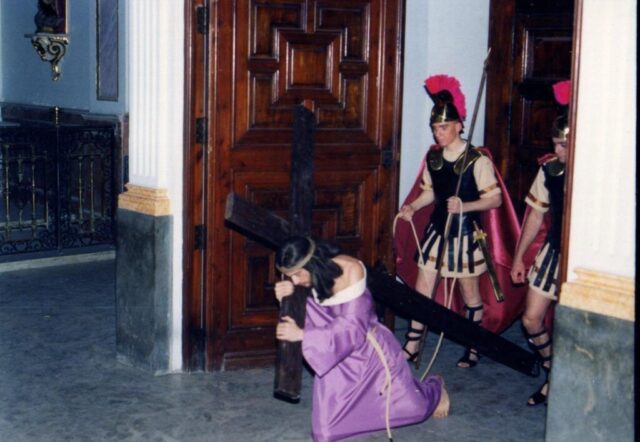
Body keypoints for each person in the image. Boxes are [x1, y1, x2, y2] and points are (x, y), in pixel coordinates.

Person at [394, 74, 525, 368]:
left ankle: (473, 346)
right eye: (434, 128)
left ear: (459, 126)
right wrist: (412, 206)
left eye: (443, 127)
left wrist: (465, 205)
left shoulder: (477, 160)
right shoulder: (434, 159)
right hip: (437, 232)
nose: (437, 133)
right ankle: (412, 345)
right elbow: (430, 191)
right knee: (422, 289)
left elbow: (494, 199)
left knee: (470, 294)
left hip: (466, 235)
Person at [274, 236, 449, 442]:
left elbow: (352, 329)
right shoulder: (307, 274)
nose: (294, 281)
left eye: (296, 275)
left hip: (366, 351)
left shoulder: (351, 270)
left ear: (313, 263)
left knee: (414, 409)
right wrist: (287, 298)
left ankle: (436, 389)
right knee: (325, 434)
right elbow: (314, 312)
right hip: (334, 353)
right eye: (290, 277)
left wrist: (302, 335)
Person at [510, 80, 571, 406]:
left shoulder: (595, 174)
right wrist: (519, 257)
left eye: (564, 144)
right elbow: (535, 216)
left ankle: (556, 382)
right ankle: (553, 369)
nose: (559, 151)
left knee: (569, 325)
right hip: (553, 252)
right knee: (531, 318)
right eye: (556, 144)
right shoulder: (549, 170)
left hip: (581, 260)